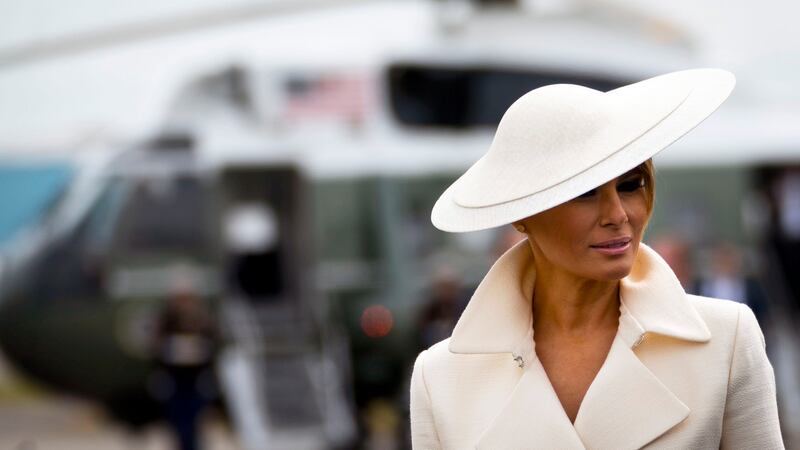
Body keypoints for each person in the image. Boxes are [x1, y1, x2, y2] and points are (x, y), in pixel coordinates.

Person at [409, 69, 783, 449]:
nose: (618, 214)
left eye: (630, 185)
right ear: (521, 214)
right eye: (585, 192)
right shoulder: (440, 378)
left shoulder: (726, 340)